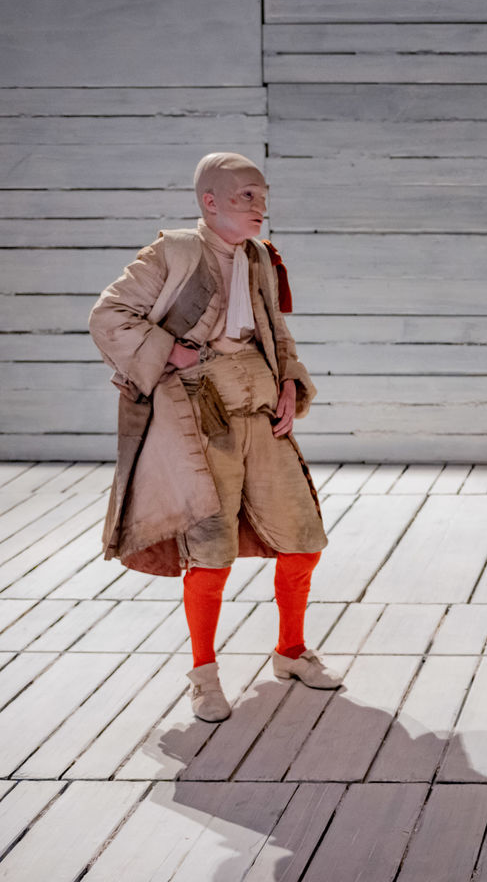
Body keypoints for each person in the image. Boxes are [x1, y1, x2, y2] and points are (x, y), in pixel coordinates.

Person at [90, 152, 341, 723]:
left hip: (262, 410)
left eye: (262, 195)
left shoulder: (259, 256)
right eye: (245, 196)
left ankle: (291, 651)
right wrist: (168, 351)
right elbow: (109, 316)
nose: (260, 206)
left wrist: (288, 382)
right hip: (199, 420)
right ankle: (204, 677)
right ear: (209, 202)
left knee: (303, 539)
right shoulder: (173, 252)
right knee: (209, 554)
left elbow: (276, 331)